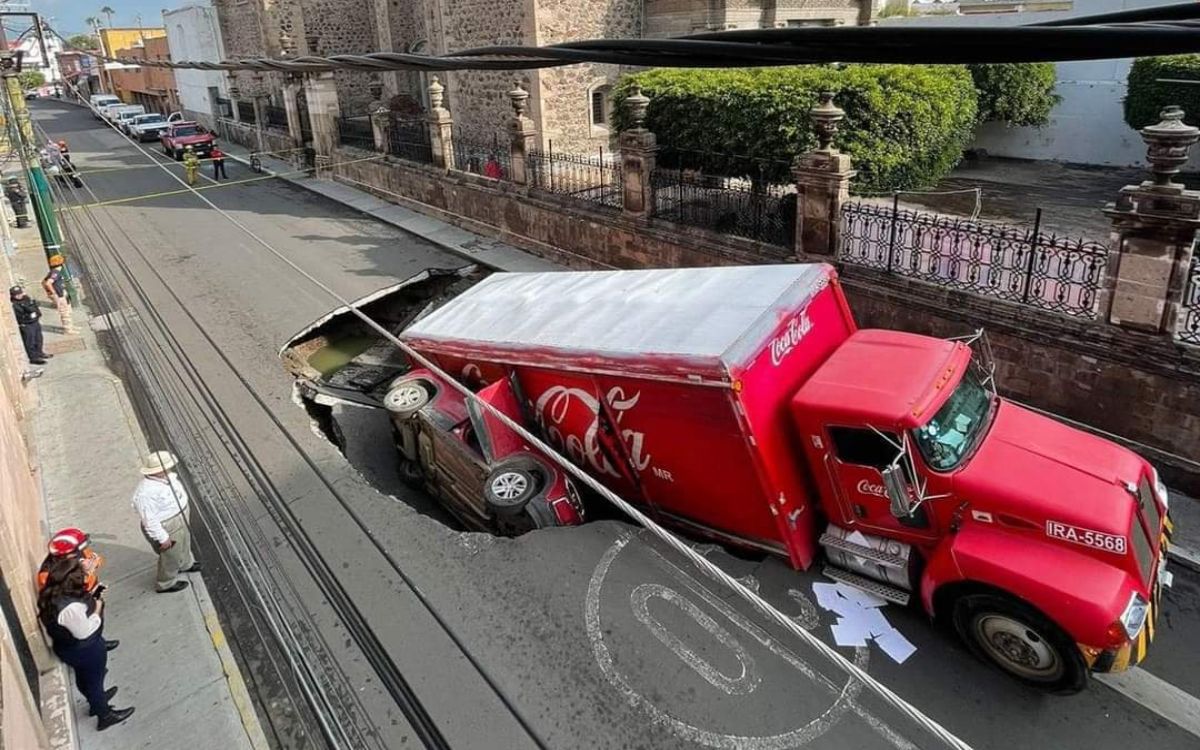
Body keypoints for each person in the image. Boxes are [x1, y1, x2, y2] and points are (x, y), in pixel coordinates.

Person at [38, 557, 135, 730]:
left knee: (85, 678)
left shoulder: (53, 595)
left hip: (68, 649)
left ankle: (96, 701)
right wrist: (97, 606)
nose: (85, 578)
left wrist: (92, 592)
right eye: (81, 576)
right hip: (85, 650)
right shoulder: (69, 608)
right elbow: (85, 631)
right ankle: (104, 714)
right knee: (94, 681)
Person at [131, 451, 200, 593]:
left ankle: (185, 564)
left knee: (184, 542)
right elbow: (149, 520)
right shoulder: (145, 494)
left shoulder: (166, 477)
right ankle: (166, 583)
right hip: (167, 524)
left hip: (179, 515)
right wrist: (162, 537)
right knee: (171, 555)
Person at [10, 285, 50, 364]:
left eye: (20, 293)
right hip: (27, 324)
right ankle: (34, 358)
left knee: (38, 338)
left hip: (35, 322)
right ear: (13, 296)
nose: (19, 295)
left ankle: (39, 353)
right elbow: (21, 316)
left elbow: (34, 306)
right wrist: (30, 315)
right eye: (16, 294)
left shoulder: (27, 298)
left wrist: (36, 314)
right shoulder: (15, 305)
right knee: (30, 341)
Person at [42, 254, 76, 335]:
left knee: (67, 310)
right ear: (61, 264)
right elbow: (48, 283)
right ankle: (68, 330)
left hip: (62, 294)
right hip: (59, 296)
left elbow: (43, 282)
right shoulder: (55, 273)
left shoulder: (53, 272)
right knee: (64, 313)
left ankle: (70, 326)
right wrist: (54, 293)